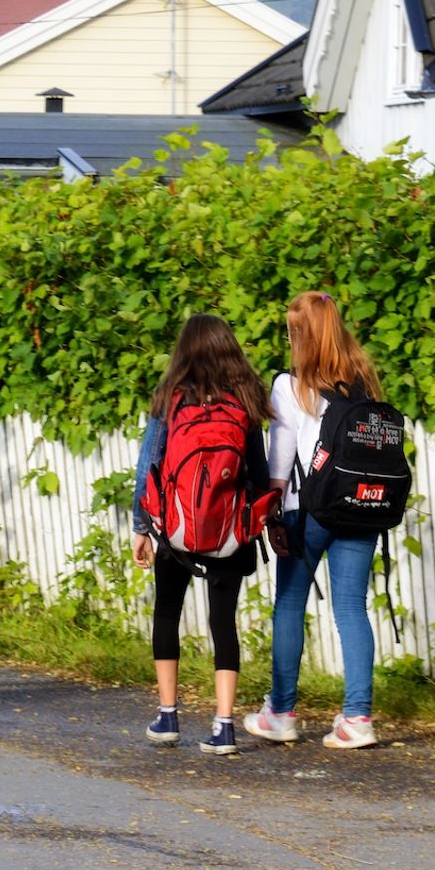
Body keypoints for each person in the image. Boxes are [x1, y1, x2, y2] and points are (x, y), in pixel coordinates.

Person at [244, 291, 382, 749]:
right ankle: (357, 719)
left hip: (308, 510)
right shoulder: (363, 378)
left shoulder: (291, 384)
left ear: (299, 334)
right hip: (362, 505)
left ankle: (281, 712)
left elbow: (280, 460)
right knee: (351, 608)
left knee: (289, 605)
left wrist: (270, 510)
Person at [131, 314, 274, 756]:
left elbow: (149, 466)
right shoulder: (245, 400)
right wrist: (258, 521)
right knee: (223, 621)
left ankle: (169, 716)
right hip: (230, 530)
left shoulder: (171, 399)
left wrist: (141, 527)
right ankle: (224, 725)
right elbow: (259, 472)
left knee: (167, 613)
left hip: (175, 529)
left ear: (184, 351)